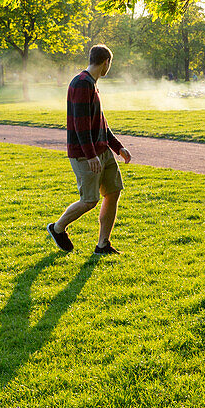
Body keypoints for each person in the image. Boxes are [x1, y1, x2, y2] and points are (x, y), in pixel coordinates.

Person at [48, 45, 132, 255]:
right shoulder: (81, 84)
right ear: (106, 63)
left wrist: (118, 147)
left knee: (113, 192)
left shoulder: (92, 84)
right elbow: (80, 125)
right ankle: (57, 228)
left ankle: (103, 245)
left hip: (102, 151)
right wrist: (91, 154)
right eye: (109, 64)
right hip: (85, 154)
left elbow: (100, 123)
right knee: (90, 200)